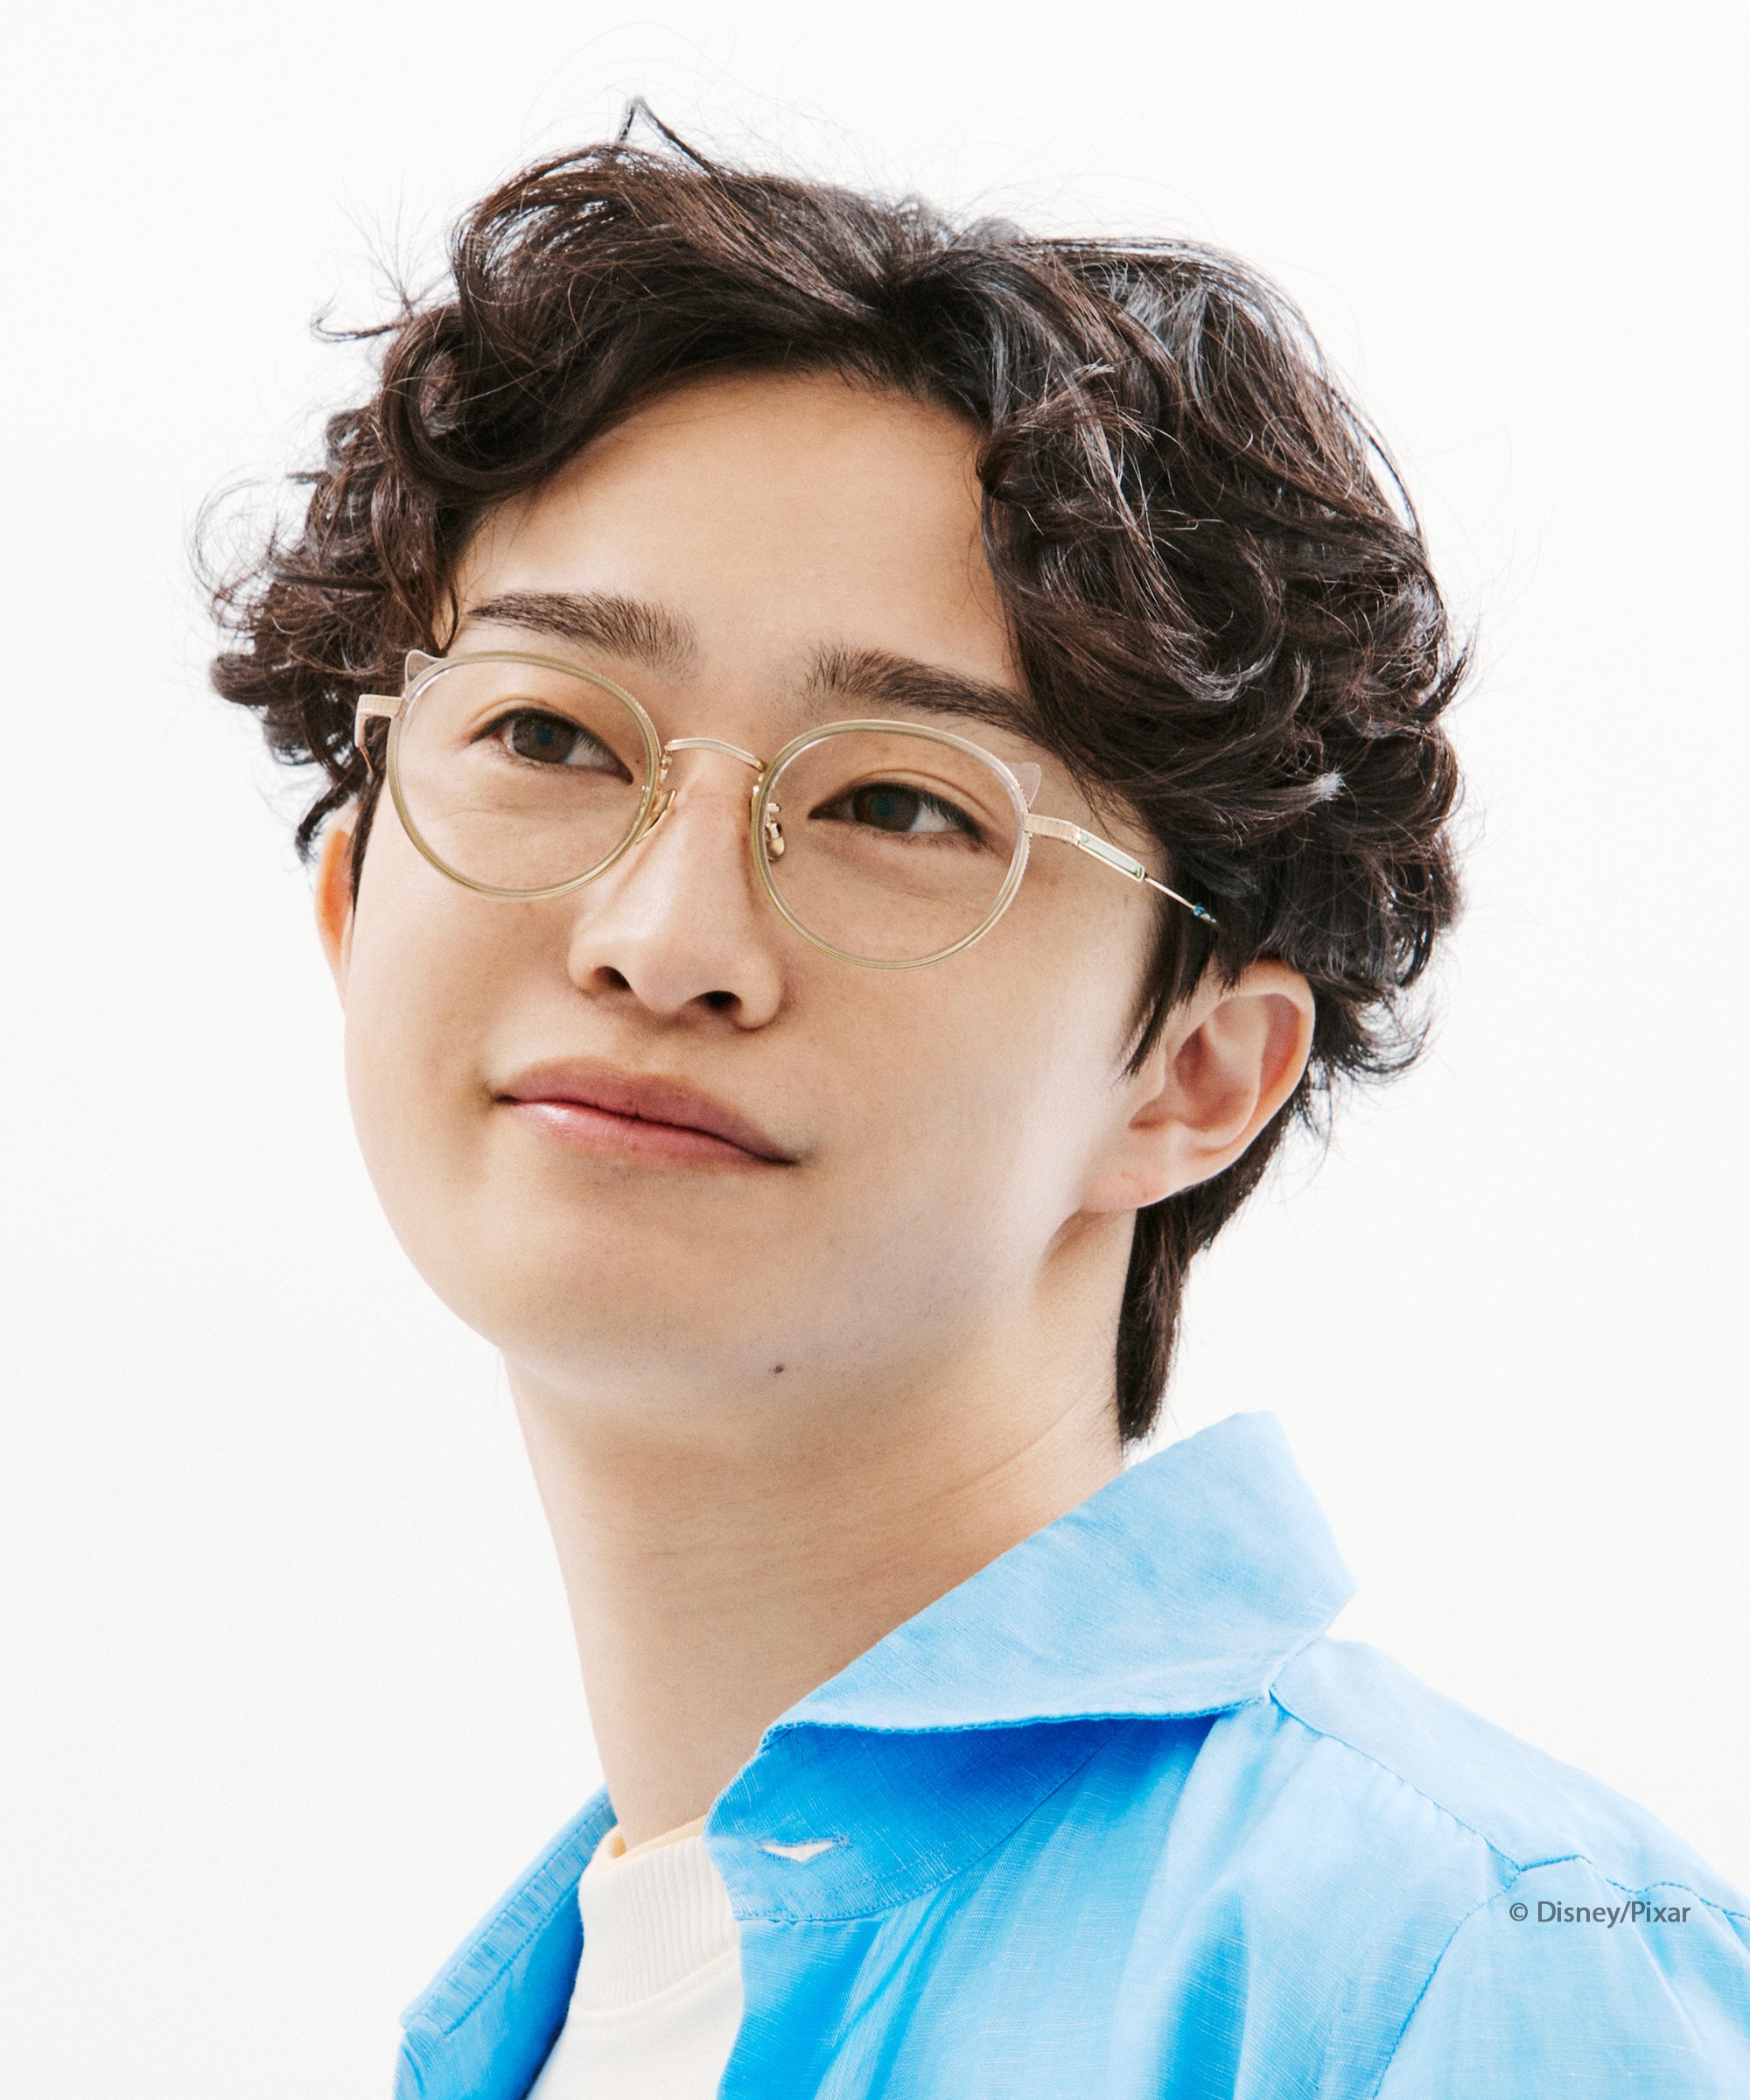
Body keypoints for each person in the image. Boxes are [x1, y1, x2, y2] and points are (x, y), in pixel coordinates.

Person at [208, 113, 1749, 2098]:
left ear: (1194, 1073)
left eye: (896, 803)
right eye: (545, 732)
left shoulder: (1470, 1964)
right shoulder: (563, 2022)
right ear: (354, 903)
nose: (662, 940)